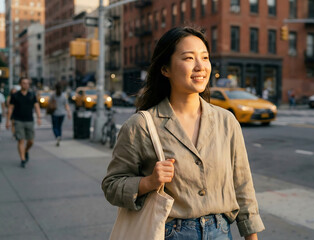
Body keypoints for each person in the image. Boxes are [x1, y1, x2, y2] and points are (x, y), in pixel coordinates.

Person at [102, 27, 264, 240]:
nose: (200, 66)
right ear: (165, 69)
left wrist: (251, 236)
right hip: (170, 233)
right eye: (189, 58)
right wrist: (148, 182)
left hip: (221, 232)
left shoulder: (226, 121)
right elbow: (112, 185)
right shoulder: (141, 125)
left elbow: (243, 186)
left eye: (205, 57)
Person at [6, 78, 42, 168]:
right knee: (21, 140)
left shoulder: (32, 95)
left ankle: (26, 151)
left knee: (30, 141)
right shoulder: (15, 95)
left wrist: (39, 117)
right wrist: (8, 121)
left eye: (27, 83)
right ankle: (22, 159)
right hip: (18, 121)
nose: (26, 85)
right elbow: (10, 108)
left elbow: (37, 106)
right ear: (20, 84)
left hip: (29, 120)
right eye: (24, 83)